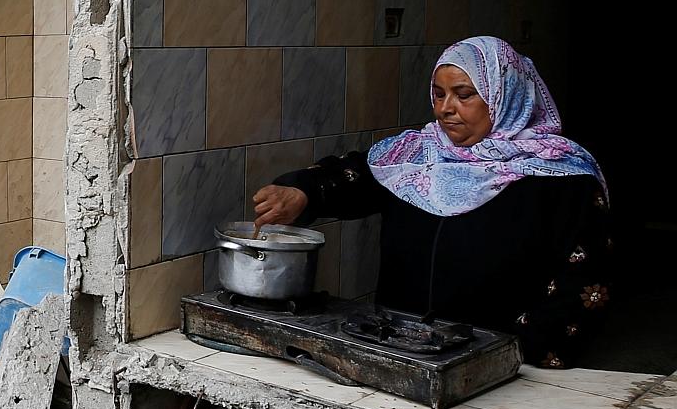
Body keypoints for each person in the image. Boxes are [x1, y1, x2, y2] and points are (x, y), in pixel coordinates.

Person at [252, 35, 610, 368]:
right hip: (401, 349)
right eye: (439, 94)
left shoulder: (560, 178)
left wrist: (519, 349)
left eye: (464, 94)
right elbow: (357, 175)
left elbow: (581, 281)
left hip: (500, 362)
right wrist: (303, 191)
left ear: (506, 96)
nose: (445, 109)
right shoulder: (416, 154)